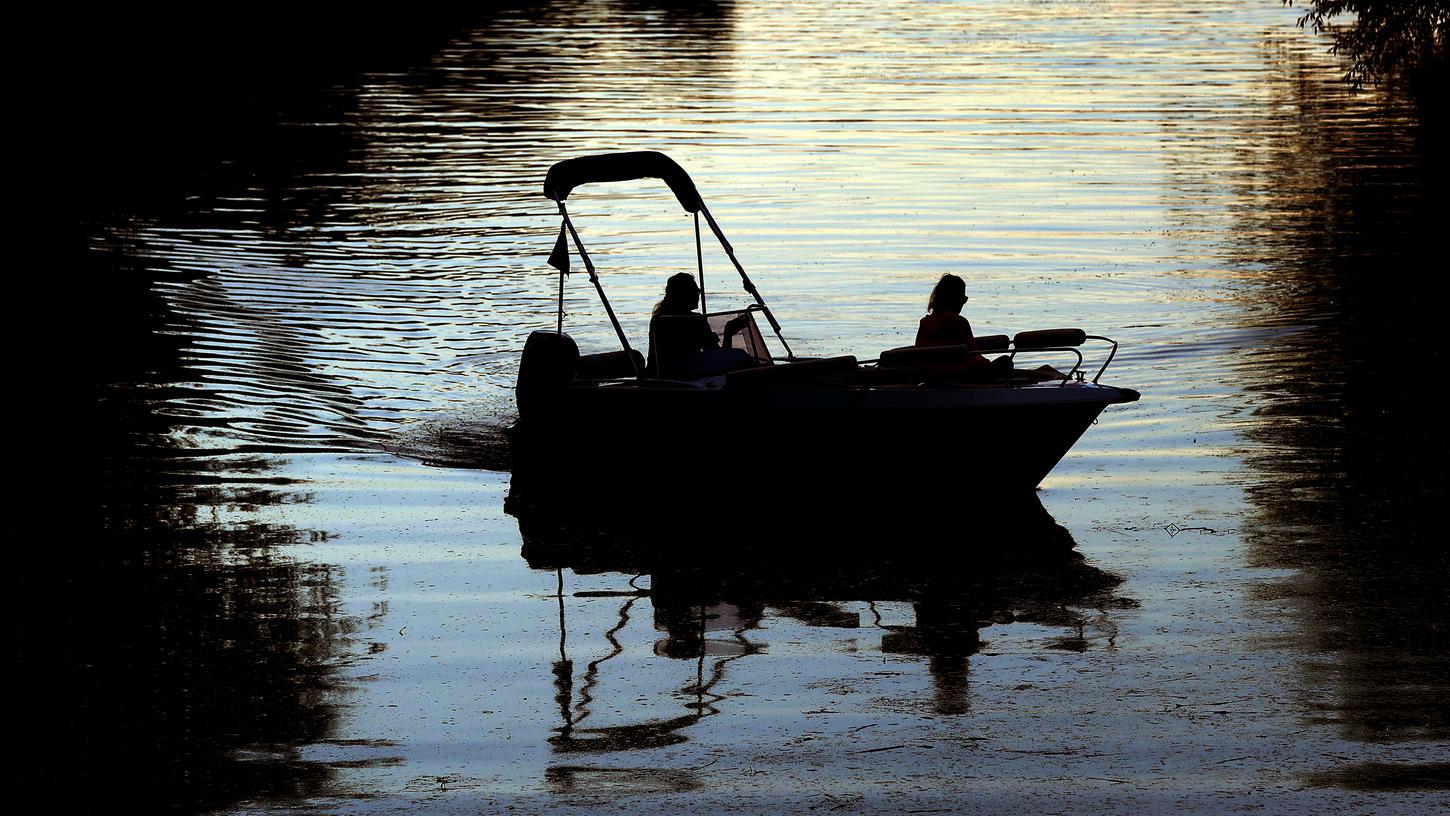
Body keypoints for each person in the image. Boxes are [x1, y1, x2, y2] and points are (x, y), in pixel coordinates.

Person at [645, 273, 750, 378]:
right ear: (685, 295)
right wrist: (728, 333)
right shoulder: (696, 321)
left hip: (660, 379)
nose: (698, 295)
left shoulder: (658, 320)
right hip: (687, 380)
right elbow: (719, 358)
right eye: (696, 292)